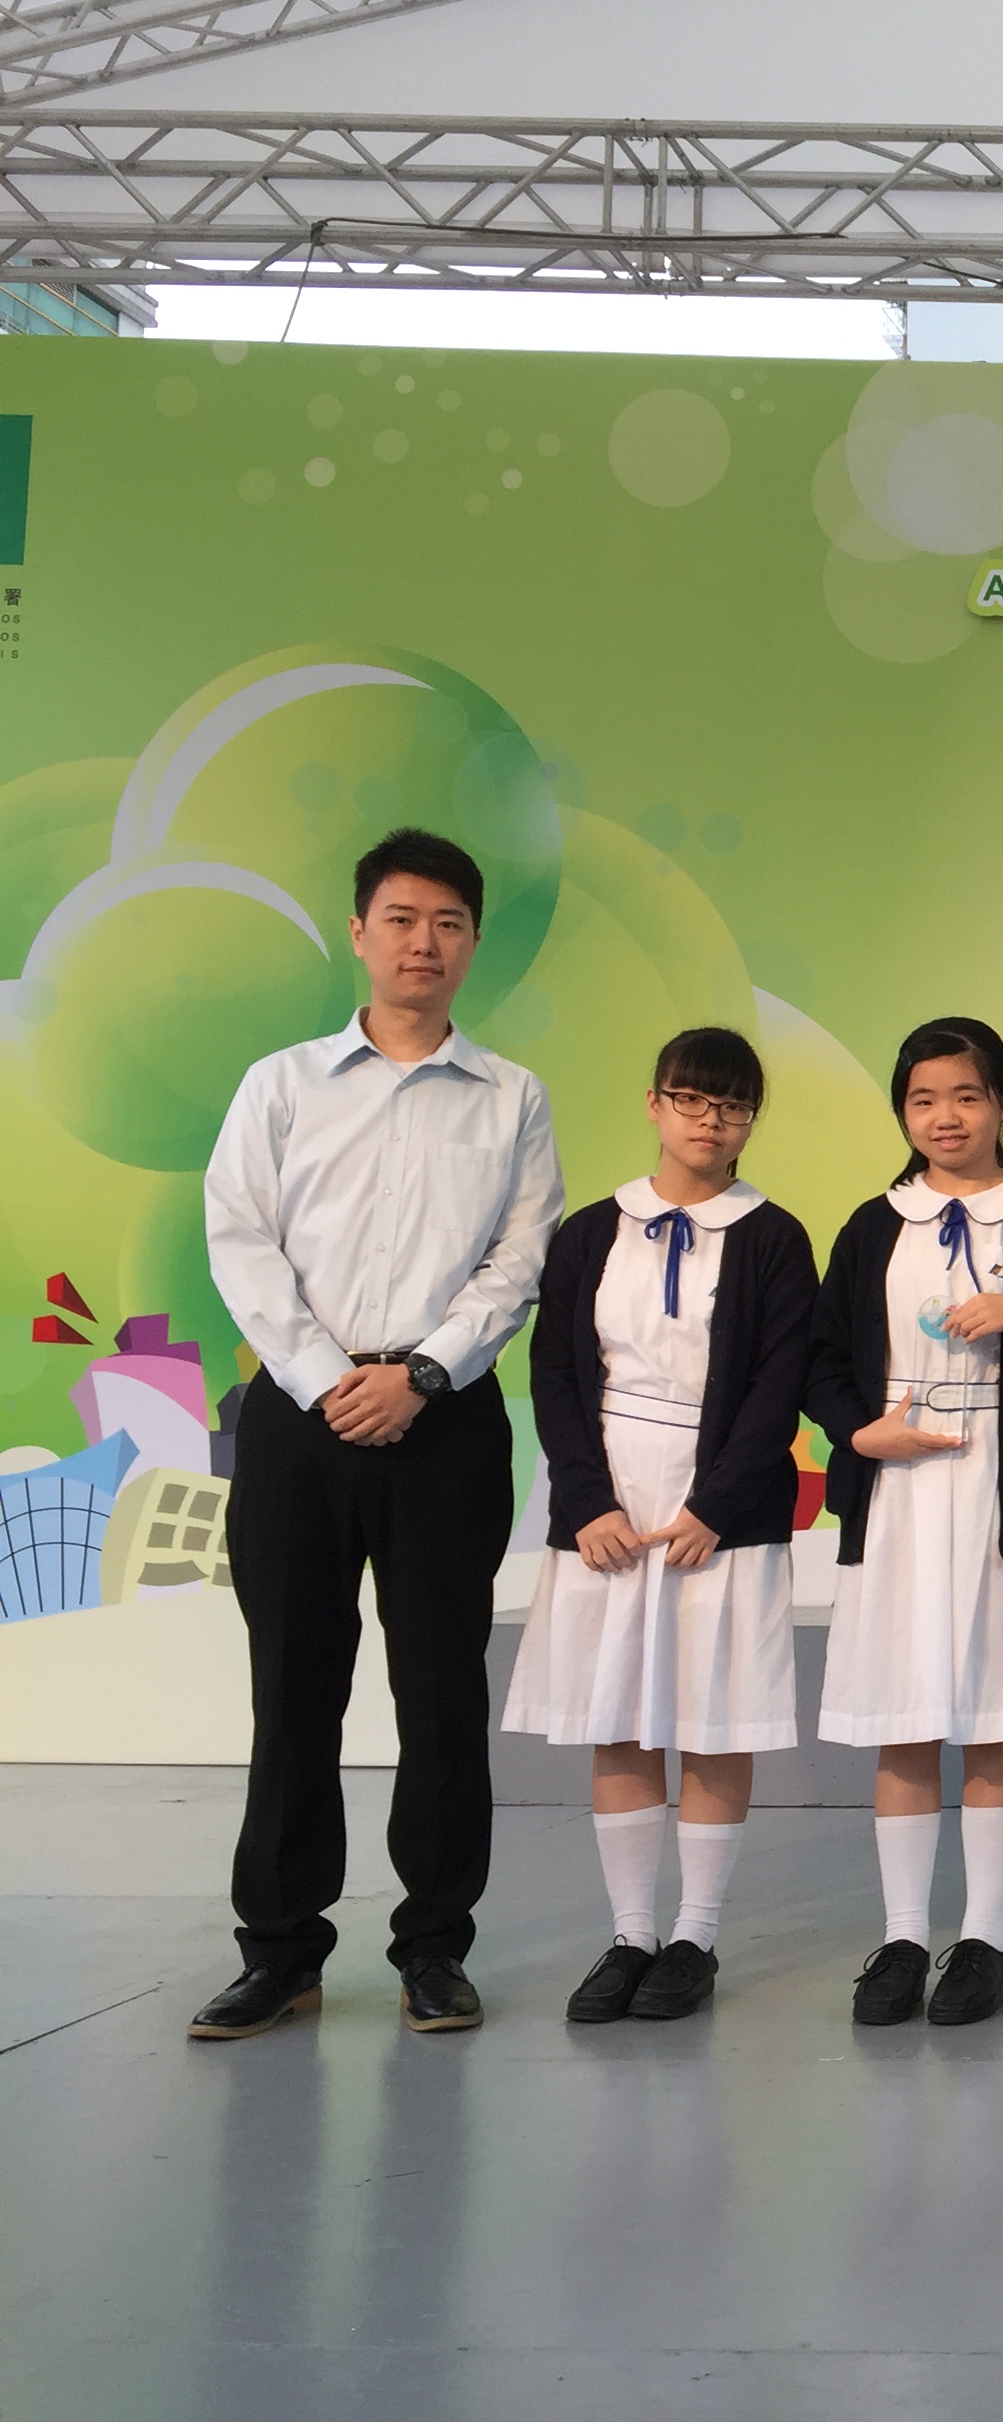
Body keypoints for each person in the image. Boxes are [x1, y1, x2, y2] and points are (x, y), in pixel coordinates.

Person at [190, 828, 563, 2041]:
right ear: (360, 933)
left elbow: (518, 1261)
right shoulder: (282, 1084)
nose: (424, 942)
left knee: (442, 1690)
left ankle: (434, 1949)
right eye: (401, 919)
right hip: (299, 1423)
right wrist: (322, 1378)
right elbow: (240, 1239)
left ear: (473, 942)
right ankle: (280, 1951)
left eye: (448, 923)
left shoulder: (512, 1098)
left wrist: (423, 1374)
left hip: (443, 1422)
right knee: (293, 1687)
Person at [504, 1027, 817, 2025]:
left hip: (719, 1506)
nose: (709, 1121)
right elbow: (555, 1374)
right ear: (654, 1103)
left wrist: (714, 1506)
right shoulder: (591, 1231)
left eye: (731, 1106)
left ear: (749, 1122)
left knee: (714, 1718)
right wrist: (585, 1502)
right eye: (691, 1099)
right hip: (610, 1502)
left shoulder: (772, 1236)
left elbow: (779, 1384)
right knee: (620, 1717)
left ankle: (695, 1937)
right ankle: (631, 1933)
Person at [807, 1018, 1003, 2028]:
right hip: (896, 1492)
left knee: (995, 1715)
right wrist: (859, 1434)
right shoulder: (872, 1225)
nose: (945, 1118)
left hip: (996, 1492)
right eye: (923, 1100)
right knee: (905, 1718)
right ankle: (900, 1938)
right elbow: (820, 1362)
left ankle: (983, 1938)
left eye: (966, 1097)